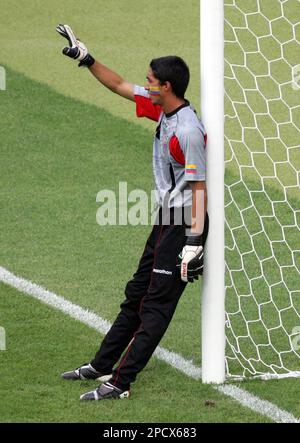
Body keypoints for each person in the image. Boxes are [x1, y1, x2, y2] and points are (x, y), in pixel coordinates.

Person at [56, 24, 209, 401]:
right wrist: (86, 59)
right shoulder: (165, 111)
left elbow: (200, 188)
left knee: (156, 305)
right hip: (166, 220)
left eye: (151, 81)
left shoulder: (187, 131)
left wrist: (193, 241)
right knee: (137, 293)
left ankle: (121, 383)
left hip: (184, 223)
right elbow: (120, 85)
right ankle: (103, 364)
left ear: (167, 87)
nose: (146, 85)